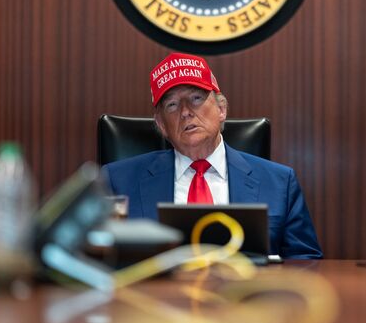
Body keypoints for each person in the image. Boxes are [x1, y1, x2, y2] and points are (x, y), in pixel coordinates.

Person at [103, 52, 323, 259]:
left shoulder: (280, 183)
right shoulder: (118, 181)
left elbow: (306, 263)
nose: (185, 111)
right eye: (172, 104)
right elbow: (100, 260)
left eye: (196, 98)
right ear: (161, 125)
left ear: (221, 109)